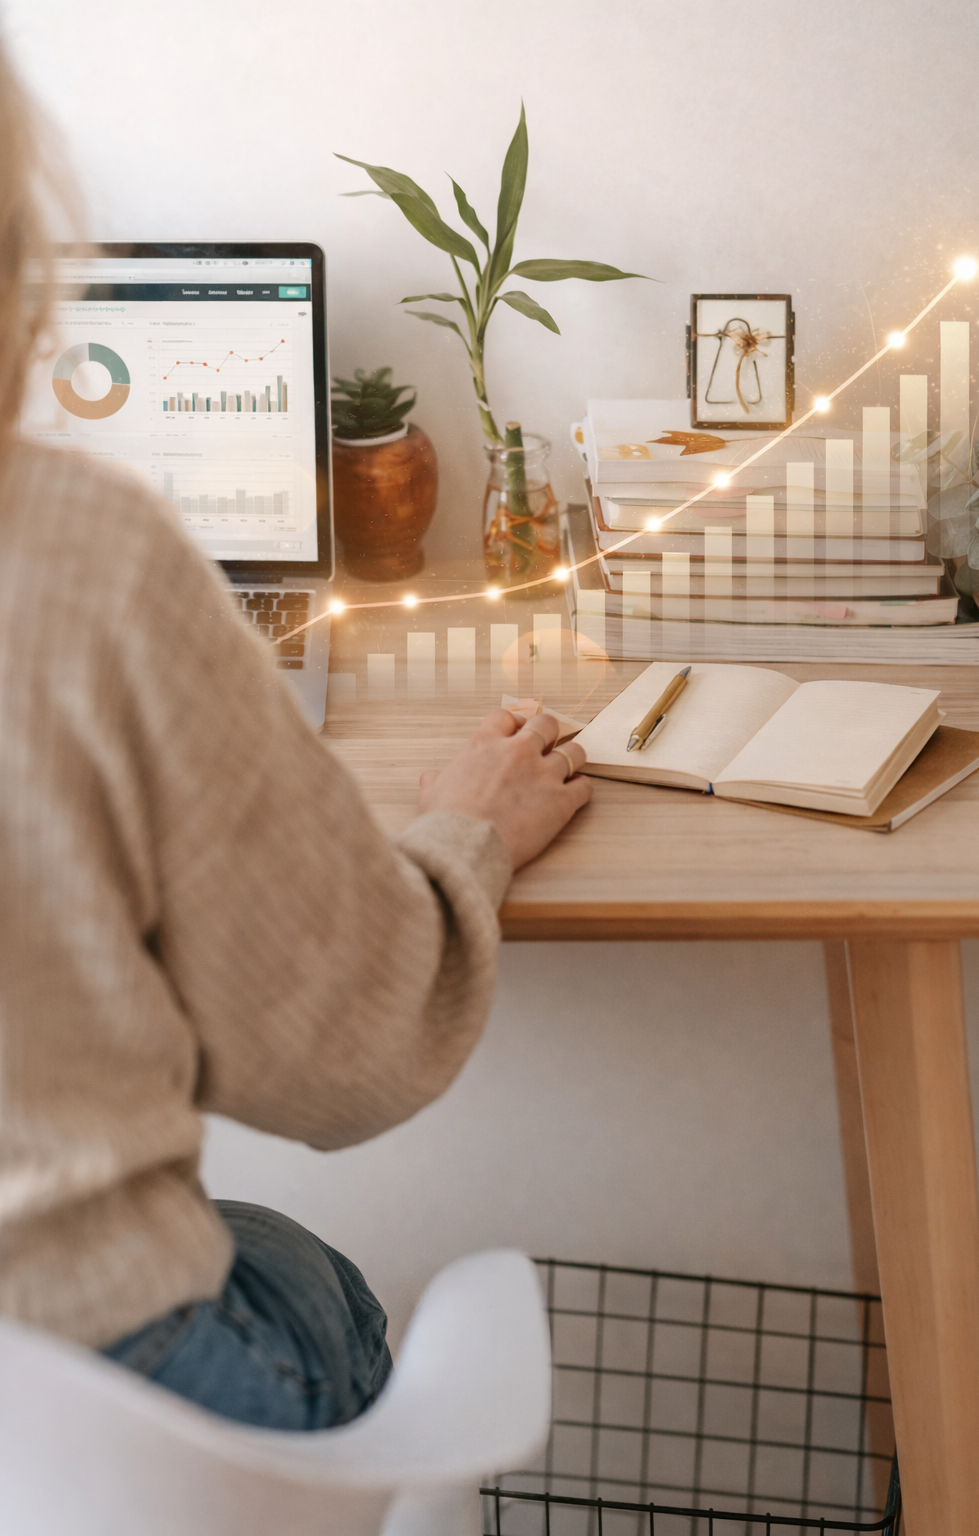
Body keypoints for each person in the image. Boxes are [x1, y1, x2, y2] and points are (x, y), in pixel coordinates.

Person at [0, 41, 592, 1431]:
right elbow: (346, 1054)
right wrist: (465, 833)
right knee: (309, 1280)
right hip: (77, 1377)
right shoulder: (82, 552)